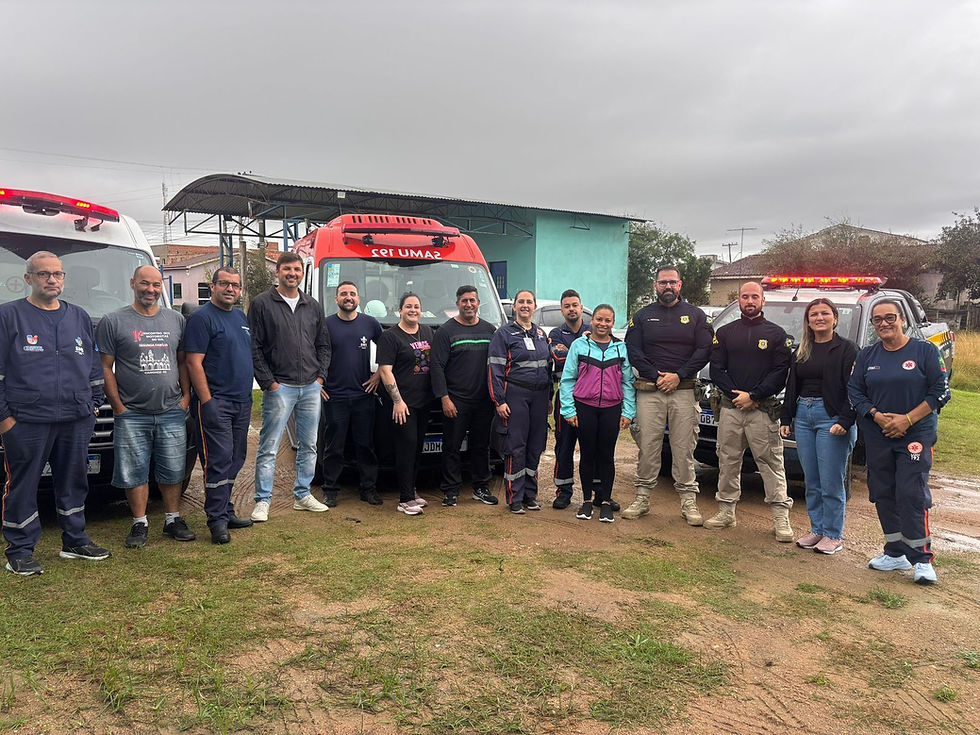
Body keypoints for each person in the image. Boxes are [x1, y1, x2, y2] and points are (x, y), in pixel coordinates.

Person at [0, 251, 110, 575]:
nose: (51, 279)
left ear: (63, 279)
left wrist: (93, 405)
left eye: (57, 274)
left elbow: (92, 366)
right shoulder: (9, 317)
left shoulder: (78, 316)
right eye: (43, 274)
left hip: (75, 418)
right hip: (27, 420)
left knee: (74, 481)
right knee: (23, 484)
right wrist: (4, 418)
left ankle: (75, 540)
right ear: (28, 279)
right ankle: (19, 550)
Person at [848, 300, 950, 585]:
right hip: (879, 435)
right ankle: (894, 553)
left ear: (902, 319)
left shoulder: (925, 351)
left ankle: (921, 558)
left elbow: (940, 392)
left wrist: (907, 419)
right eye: (877, 320)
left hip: (915, 436)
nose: (883, 324)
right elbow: (855, 390)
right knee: (882, 492)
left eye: (889, 317)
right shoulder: (868, 355)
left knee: (911, 493)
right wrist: (878, 417)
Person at [97, 265, 200, 549]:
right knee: (134, 470)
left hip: (170, 410)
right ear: (132, 283)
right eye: (145, 283)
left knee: (173, 468)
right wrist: (117, 406)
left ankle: (172, 519)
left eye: (156, 285)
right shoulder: (113, 321)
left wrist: (186, 397)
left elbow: (182, 361)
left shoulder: (176, 320)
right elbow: (105, 367)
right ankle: (139, 522)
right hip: (132, 413)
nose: (151, 290)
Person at [705, 281, 795, 541]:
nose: (750, 301)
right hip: (731, 408)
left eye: (755, 296)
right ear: (738, 300)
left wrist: (754, 396)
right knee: (727, 460)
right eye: (745, 297)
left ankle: (781, 519)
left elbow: (780, 373)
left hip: (762, 410)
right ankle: (726, 512)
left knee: (771, 463)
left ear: (763, 300)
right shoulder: (724, 332)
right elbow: (717, 369)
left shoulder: (777, 334)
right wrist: (737, 396)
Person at [622, 266, 713, 524]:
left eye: (672, 282)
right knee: (648, 445)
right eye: (663, 283)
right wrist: (656, 376)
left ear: (680, 285)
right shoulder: (642, 316)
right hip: (651, 390)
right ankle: (642, 498)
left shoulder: (696, 316)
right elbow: (633, 350)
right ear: (655, 286)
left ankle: (688, 502)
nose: (668, 287)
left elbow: (704, 350)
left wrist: (678, 375)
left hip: (683, 390)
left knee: (684, 448)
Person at [248, 252, 332, 521]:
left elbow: (323, 345)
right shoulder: (262, 303)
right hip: (279, 386)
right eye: (287, 269)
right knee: (269, 446)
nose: (292, 273)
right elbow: (255, 347)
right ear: (278, 272)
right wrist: (268, 383)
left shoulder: (313, 305)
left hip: (310, 386)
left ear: (302, 273)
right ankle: (262, 501)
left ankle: (303, 495)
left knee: (309, 445)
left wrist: (320, 378)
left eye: (297, 269)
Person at [779, 298, 858, 555]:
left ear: (835, 318)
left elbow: (855, 389)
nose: (819, 318)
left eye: (825, 313)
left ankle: (833, 534)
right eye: (814, 314)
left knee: (830, 481)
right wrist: (786, 418)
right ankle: (817, 530)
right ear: (808, 320)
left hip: (832, 417)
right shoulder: (802, 349)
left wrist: (845, 421)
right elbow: (793, 386)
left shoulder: (847, 350)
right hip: (804, 414)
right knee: (811, 479)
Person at [184, 267, 255, 544]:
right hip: (216, 402)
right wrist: (207, 401)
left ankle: (226, 509)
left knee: (236, 458)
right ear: (212, 287)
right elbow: (193, 362)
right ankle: (216, 520)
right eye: (224, 284)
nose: (230, 289)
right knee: (218, 459)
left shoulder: (239, 317)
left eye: (235, 285)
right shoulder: (201, 319)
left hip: (242, 401)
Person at [559, 304, 636, 523]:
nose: (602, 324)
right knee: (587, 454)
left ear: (613, 323)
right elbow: (567, 379)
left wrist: (628, 411)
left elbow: (628, 382)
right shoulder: (579, 345)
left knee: (606, 456)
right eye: (599, 320)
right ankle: (585, 501)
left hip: (611, 409)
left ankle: (605, 502)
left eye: (607, 320)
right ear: (591, 321)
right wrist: (568, 409)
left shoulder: (621, 349)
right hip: (585, 407)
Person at [431, 285, 499, 507]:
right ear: (457, 303)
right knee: (451, 446)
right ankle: (451, 490)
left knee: (481, 445)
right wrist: (444, 397)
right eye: (464, 301)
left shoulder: (490, 331)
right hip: (456, 400)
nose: (468, 304)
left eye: (472, 300)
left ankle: (481, 486)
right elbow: (437, 367)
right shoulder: (446, 332)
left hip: (484, 400)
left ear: (479, 303)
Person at [488, 289, 552, 515]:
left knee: (536, 446)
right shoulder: (503, 334)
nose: (525, 305)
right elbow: (494, 368)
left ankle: (530, 495)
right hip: (515, 395)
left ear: (534, 306)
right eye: (521, 302)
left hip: (540, 396)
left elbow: (548, 368)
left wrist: (549, 398)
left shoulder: (541, 334)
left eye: (529, 302)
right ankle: (514, 498)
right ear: (514, 306)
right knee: (516, 447)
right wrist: (499, 400)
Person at [320, 281, 383, 506]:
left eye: (352, 294)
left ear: (359, 299)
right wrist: (319, 384)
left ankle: (368, 489)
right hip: (334, 396)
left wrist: (377, 376)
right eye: (343, 294)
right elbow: (313, 353)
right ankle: (330, 490)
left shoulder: (370, 324)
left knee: (365, 445)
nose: (349, 297)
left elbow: (386, 349)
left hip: (363, 395)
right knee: (334, 446)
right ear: (336, 299)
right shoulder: (326, 324)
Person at [377, 292, 435, 515]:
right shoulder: (390, 337)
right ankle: (404, 499)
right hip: (404, 404)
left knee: (418, 448)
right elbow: (385, 370)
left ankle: (412, 490)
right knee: (406, 448)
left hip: (424, 402)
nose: (413, 310)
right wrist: (397, 401)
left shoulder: (427, 332)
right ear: (399, 310)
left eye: (417, 306)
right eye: (408, 306)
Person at [548, 289, 594, 510]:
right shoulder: (556, 334)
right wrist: (585, 350)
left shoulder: (594, 329)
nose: (571, 309)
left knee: (593, 447)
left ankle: (596, 492)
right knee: (564, 446)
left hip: (593, 398)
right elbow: (558, 357)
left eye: (575, 305)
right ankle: (563, 491)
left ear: (581, 306)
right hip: (566, 398)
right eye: (567, 306)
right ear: (562, 309)